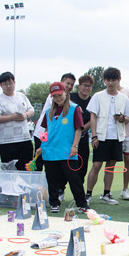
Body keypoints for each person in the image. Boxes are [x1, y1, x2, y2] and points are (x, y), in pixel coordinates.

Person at [35, 82, 88, 212]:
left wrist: (75, 146)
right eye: (55, 96)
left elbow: (78, 129)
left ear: (66, 93)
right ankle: (54, 202)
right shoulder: (48, 112)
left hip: (67, 151)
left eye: (59, 95)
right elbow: (46, 130)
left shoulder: (74, 109)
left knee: (74, 178)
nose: (58, 98)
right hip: (50, 151)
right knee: (52, 178)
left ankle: (82, 204)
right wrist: (42, 146)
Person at [86, 67, 129, 206]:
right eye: (108, 80)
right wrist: (94, 136)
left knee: (111, 166)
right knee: (96, 165)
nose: (111, 83)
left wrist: (122, 119)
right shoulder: (98, 96)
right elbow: (93, 116)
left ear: (119, 80)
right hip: (101, 137)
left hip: (117, 137)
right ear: (104, 80)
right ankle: (88, 194)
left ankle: (107, 194)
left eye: (114, 79)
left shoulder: (124, 98)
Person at [0, 72, 34, 173]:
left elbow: (31, 110)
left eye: (10, 83)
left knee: (25, 168)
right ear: (1, 85)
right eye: (5, 84)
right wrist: (12, 117)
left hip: (24, 138)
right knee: (9, 170)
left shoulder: (21, 96)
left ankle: (23, 184)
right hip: (6, 141)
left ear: (14, 83)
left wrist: (26, 115)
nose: (8, 86)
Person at [70, 75, 95, 183]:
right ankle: (61, 189)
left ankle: (79, 189)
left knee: (82, 167)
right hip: (69, 136)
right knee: (66, 165)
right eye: (85, 85)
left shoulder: (93, 100)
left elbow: (94, 117)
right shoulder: (70, 97)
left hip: (84, 136)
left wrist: (81, 128)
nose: (87, 88)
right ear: (79, 86)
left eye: (89, 86)